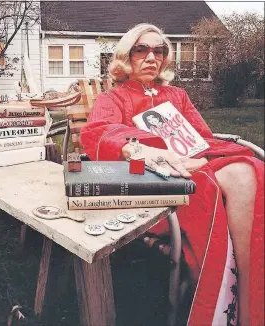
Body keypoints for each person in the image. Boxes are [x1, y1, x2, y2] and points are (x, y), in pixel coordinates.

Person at [80, 23, 264, 326]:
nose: (152, 56)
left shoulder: (176, 95)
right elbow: (100, 132)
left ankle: (248, 289)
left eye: (159, 50)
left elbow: (202, 138)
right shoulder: (114, 99)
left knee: (252, 170)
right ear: (127, 56)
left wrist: (195, 159)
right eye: (142, 49)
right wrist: (143, 149)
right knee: (242, 174)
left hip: (196, 170)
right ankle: (244, 299)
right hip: (156, 187)